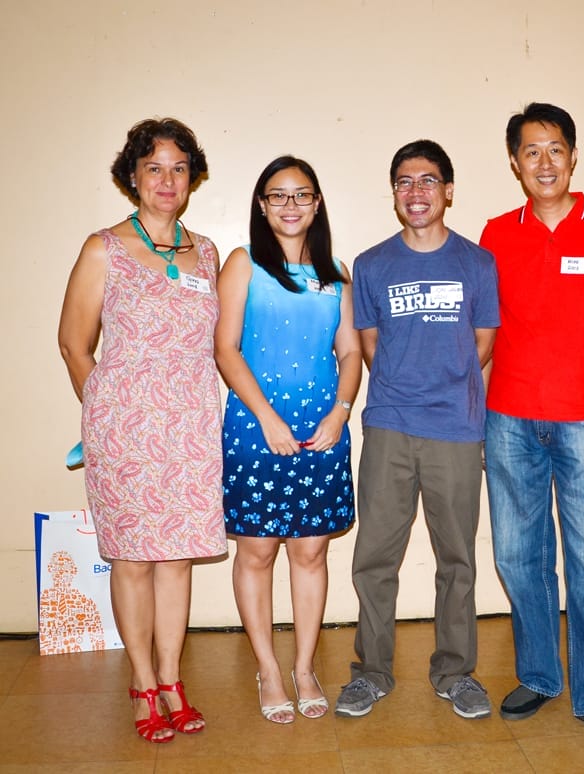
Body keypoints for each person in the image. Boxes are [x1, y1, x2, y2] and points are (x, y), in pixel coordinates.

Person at [479, 103, 584, 749]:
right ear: (515, 163)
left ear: (573, 157)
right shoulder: (496, 233)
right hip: (509, 421)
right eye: (531, 151)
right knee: (519, 558)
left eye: (555, 149)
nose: (544, 162)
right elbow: (484, 337)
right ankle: (540, 676)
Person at [58, 117, 228, 744]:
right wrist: (108, 412)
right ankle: (142, 682)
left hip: (190, 430)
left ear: (192, 178)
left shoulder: (206, 252)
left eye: (178, 167)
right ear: (132, 176)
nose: (167, 179)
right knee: (132, 562)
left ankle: (173, 679)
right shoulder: (102, 247)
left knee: (176, 561)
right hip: (125, 432)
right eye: (153, 167)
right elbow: (75, 344)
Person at [335, 140, 499, 720]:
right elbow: (371, 345)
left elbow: (484, 343)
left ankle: (455, 673)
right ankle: (372, 673)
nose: (416, 192)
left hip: (457, 428)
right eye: (404, 182)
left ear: (448, 190)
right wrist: (408, 385)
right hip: (389, 426)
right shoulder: (373, 264)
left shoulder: (477, 263)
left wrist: (445, 384)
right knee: (374, 558)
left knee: (458, 559)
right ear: (395, 195)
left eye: (428, 181)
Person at [214, 156, 360, 724]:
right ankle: (268, 670)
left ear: (317, 203)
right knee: (256, 551)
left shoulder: (336, 271)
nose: (290, 205)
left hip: (323, 432)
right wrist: (268, 419)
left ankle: (303, 668)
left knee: (311, 550)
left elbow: (349, 353)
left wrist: (342, 413)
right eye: (278, 196)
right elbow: (225, 349)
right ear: (261, 205)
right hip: (256, 430)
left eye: (302, 195)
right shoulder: (244, 263)